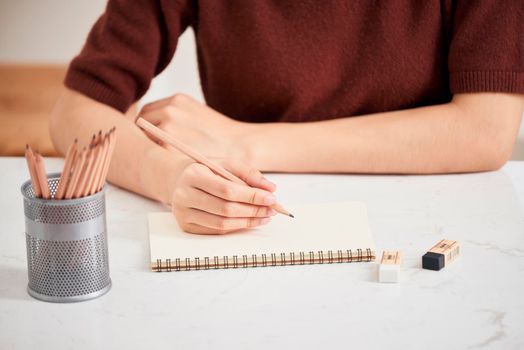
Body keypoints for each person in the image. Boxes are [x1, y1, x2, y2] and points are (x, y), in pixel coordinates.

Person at [50, 1, 524, 234]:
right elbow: (75, 114)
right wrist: (169, 175)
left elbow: (486, 129)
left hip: (434, 228)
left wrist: (245, 144)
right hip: (248, 242)